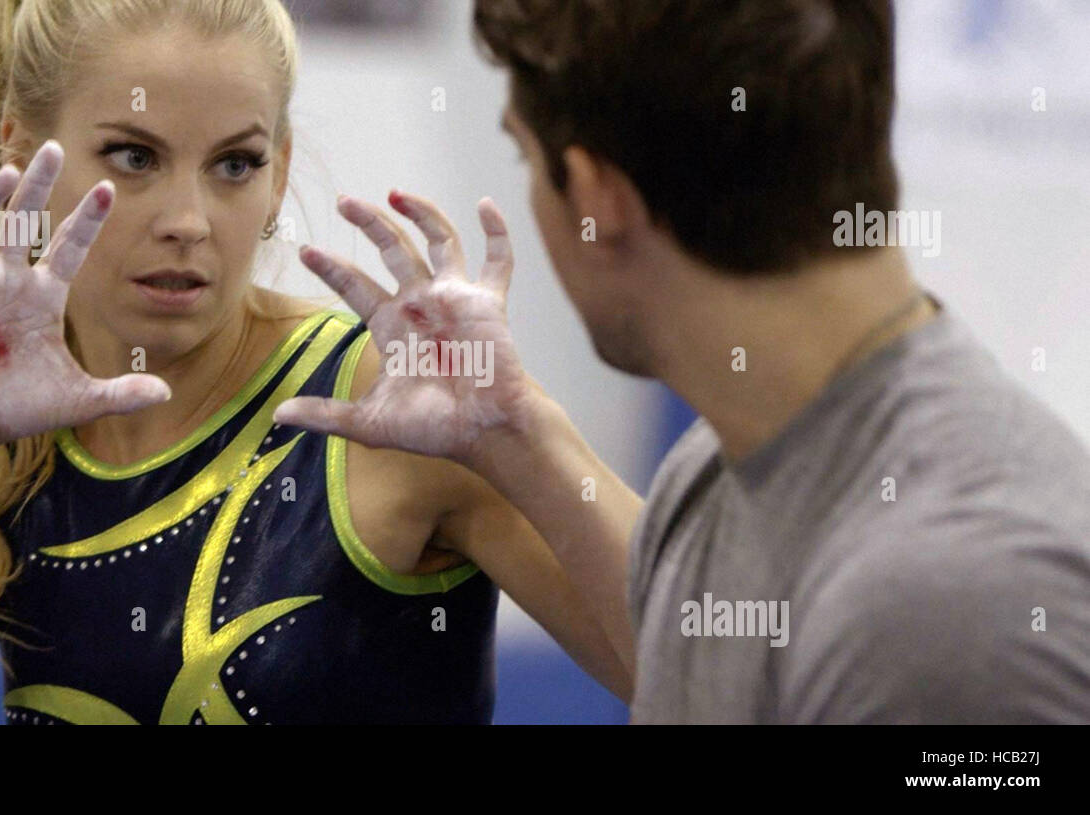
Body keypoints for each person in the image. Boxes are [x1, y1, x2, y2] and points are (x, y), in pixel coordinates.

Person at [0, 0, 630, 726]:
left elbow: (706, 671)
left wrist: (526, 435)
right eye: (133, 156)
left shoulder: (398, 408)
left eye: (235, 164)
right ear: (25, 161)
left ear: (281, 172)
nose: (189, 220)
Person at [272, 0, 1090, 723]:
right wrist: (508, 431)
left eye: (525, 158)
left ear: (595, 199)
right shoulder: (736, 456)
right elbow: (715, 662)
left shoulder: (955, 602)